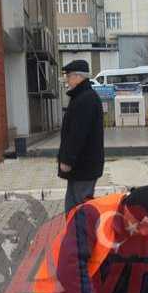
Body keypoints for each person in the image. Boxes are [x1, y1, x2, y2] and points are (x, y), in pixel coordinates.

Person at [58, 60, 104, 212]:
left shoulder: (85, 99)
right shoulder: (82, 97)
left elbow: (77, 134)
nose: (67, 80)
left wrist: (67, 160)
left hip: (83, 166)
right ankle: (76, 234)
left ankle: (82, 235)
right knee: (73, 208)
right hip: (80, 167)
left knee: (80, 210)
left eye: (69, 76)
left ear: (79, 77)